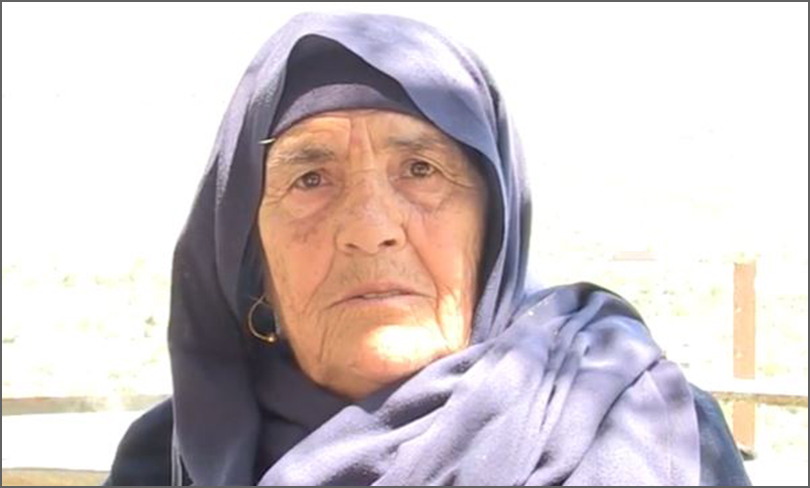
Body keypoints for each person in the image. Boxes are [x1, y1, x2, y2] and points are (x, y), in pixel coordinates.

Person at [106, 12, 750, 486]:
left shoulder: (645, 427)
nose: (369, 228)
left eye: (421, 170)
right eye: (311, 179)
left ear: (492, 231)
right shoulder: (168, 462)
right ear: (251, 262)